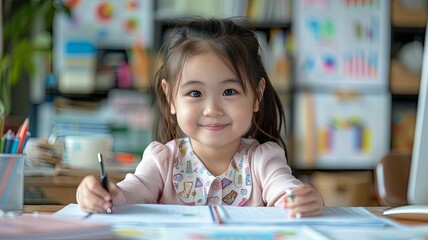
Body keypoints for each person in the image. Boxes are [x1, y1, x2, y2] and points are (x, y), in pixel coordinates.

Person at [76, 17, 324, 218]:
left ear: (257, 95)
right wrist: (101, 193)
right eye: (195, 93)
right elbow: (126, 196)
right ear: (171, 97)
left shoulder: (263, 160)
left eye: (230, 91)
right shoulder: (162, 161)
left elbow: (285, 191)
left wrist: (301, 198)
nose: (212, 109)